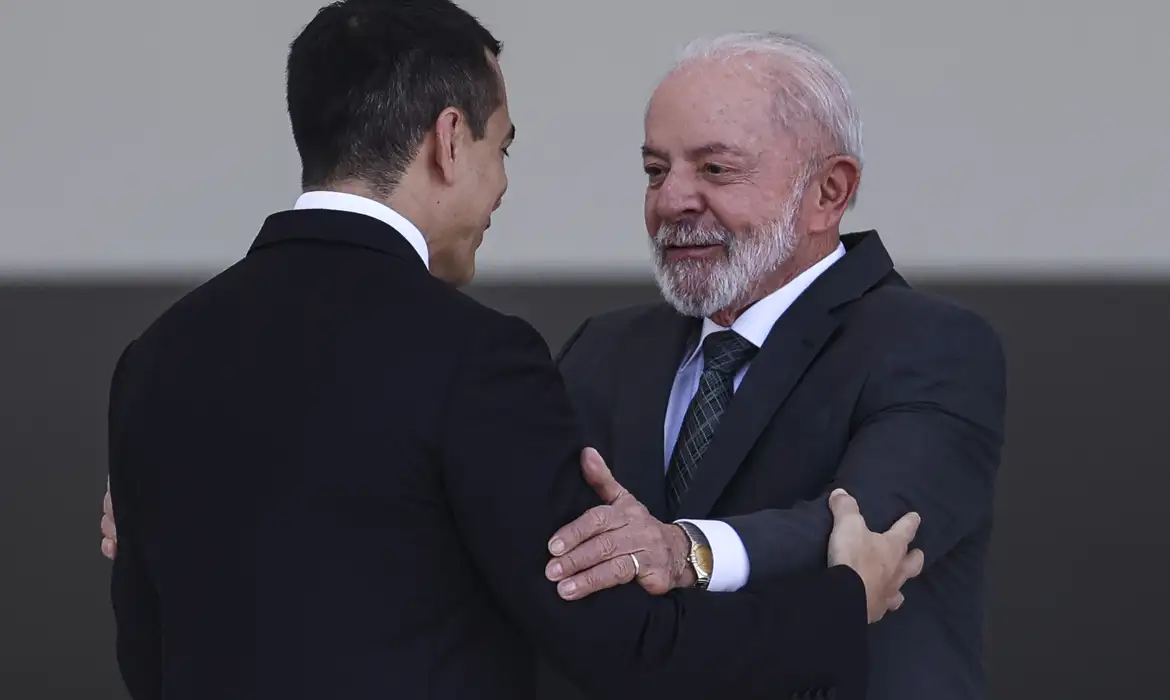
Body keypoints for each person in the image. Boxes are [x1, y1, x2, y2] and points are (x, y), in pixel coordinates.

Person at [102, 3, 923, 700]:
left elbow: (146, 656)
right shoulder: (474, 357)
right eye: (503, 148)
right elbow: (625, 645)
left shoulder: (157, 359)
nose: (500, 186)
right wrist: (843, 601)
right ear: (448, 141)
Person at [537, 33, 1007, 700]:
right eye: (655, 170)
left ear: (829, 192)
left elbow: (865, 531)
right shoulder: (605, 349)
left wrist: (687, 551)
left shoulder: (930, 344)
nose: (671, 200)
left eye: (715, 169)